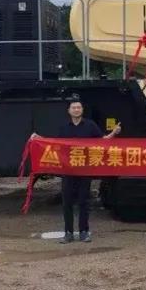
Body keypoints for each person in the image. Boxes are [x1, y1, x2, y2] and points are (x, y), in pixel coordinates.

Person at [32, 97, 120, 243]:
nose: (76, 110)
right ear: (69, 110)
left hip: (85, 170)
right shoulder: (64, 127)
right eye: (74, 107)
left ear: (82, 110)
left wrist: (114, 133)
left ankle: (84, 232)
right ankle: (68, 233)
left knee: (83, 201)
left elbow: (102, 141)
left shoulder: (90, 125)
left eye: (79, 107)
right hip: (68, 170)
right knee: (67, 202)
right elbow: (55, 145)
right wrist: (39, 138)